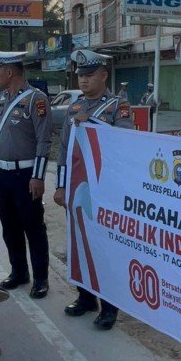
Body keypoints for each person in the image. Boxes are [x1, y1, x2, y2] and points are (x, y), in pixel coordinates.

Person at [54, 49, 133, 330]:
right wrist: (61, 186)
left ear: (103, 75)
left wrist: (94, 123)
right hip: (77, 186)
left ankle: (109, 307)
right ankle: (85, 297)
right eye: (80, 76)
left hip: (104, 190)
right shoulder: (75, 107)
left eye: (89, 76)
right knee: (78, 244)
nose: (84, 81)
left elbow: (123, 143)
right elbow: (64, 150)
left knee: (104, 247)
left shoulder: (117, 106)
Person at [0, 49, 53, 299]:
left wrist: (38, 177)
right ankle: (19, 271)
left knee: (33, 227)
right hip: (3, 174)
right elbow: (3, 136)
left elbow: (44, 140)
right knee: (10, 226)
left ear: (9, 71)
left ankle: (40, 279)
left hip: (26, 175)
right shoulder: (2, 98)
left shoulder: (36, 100)